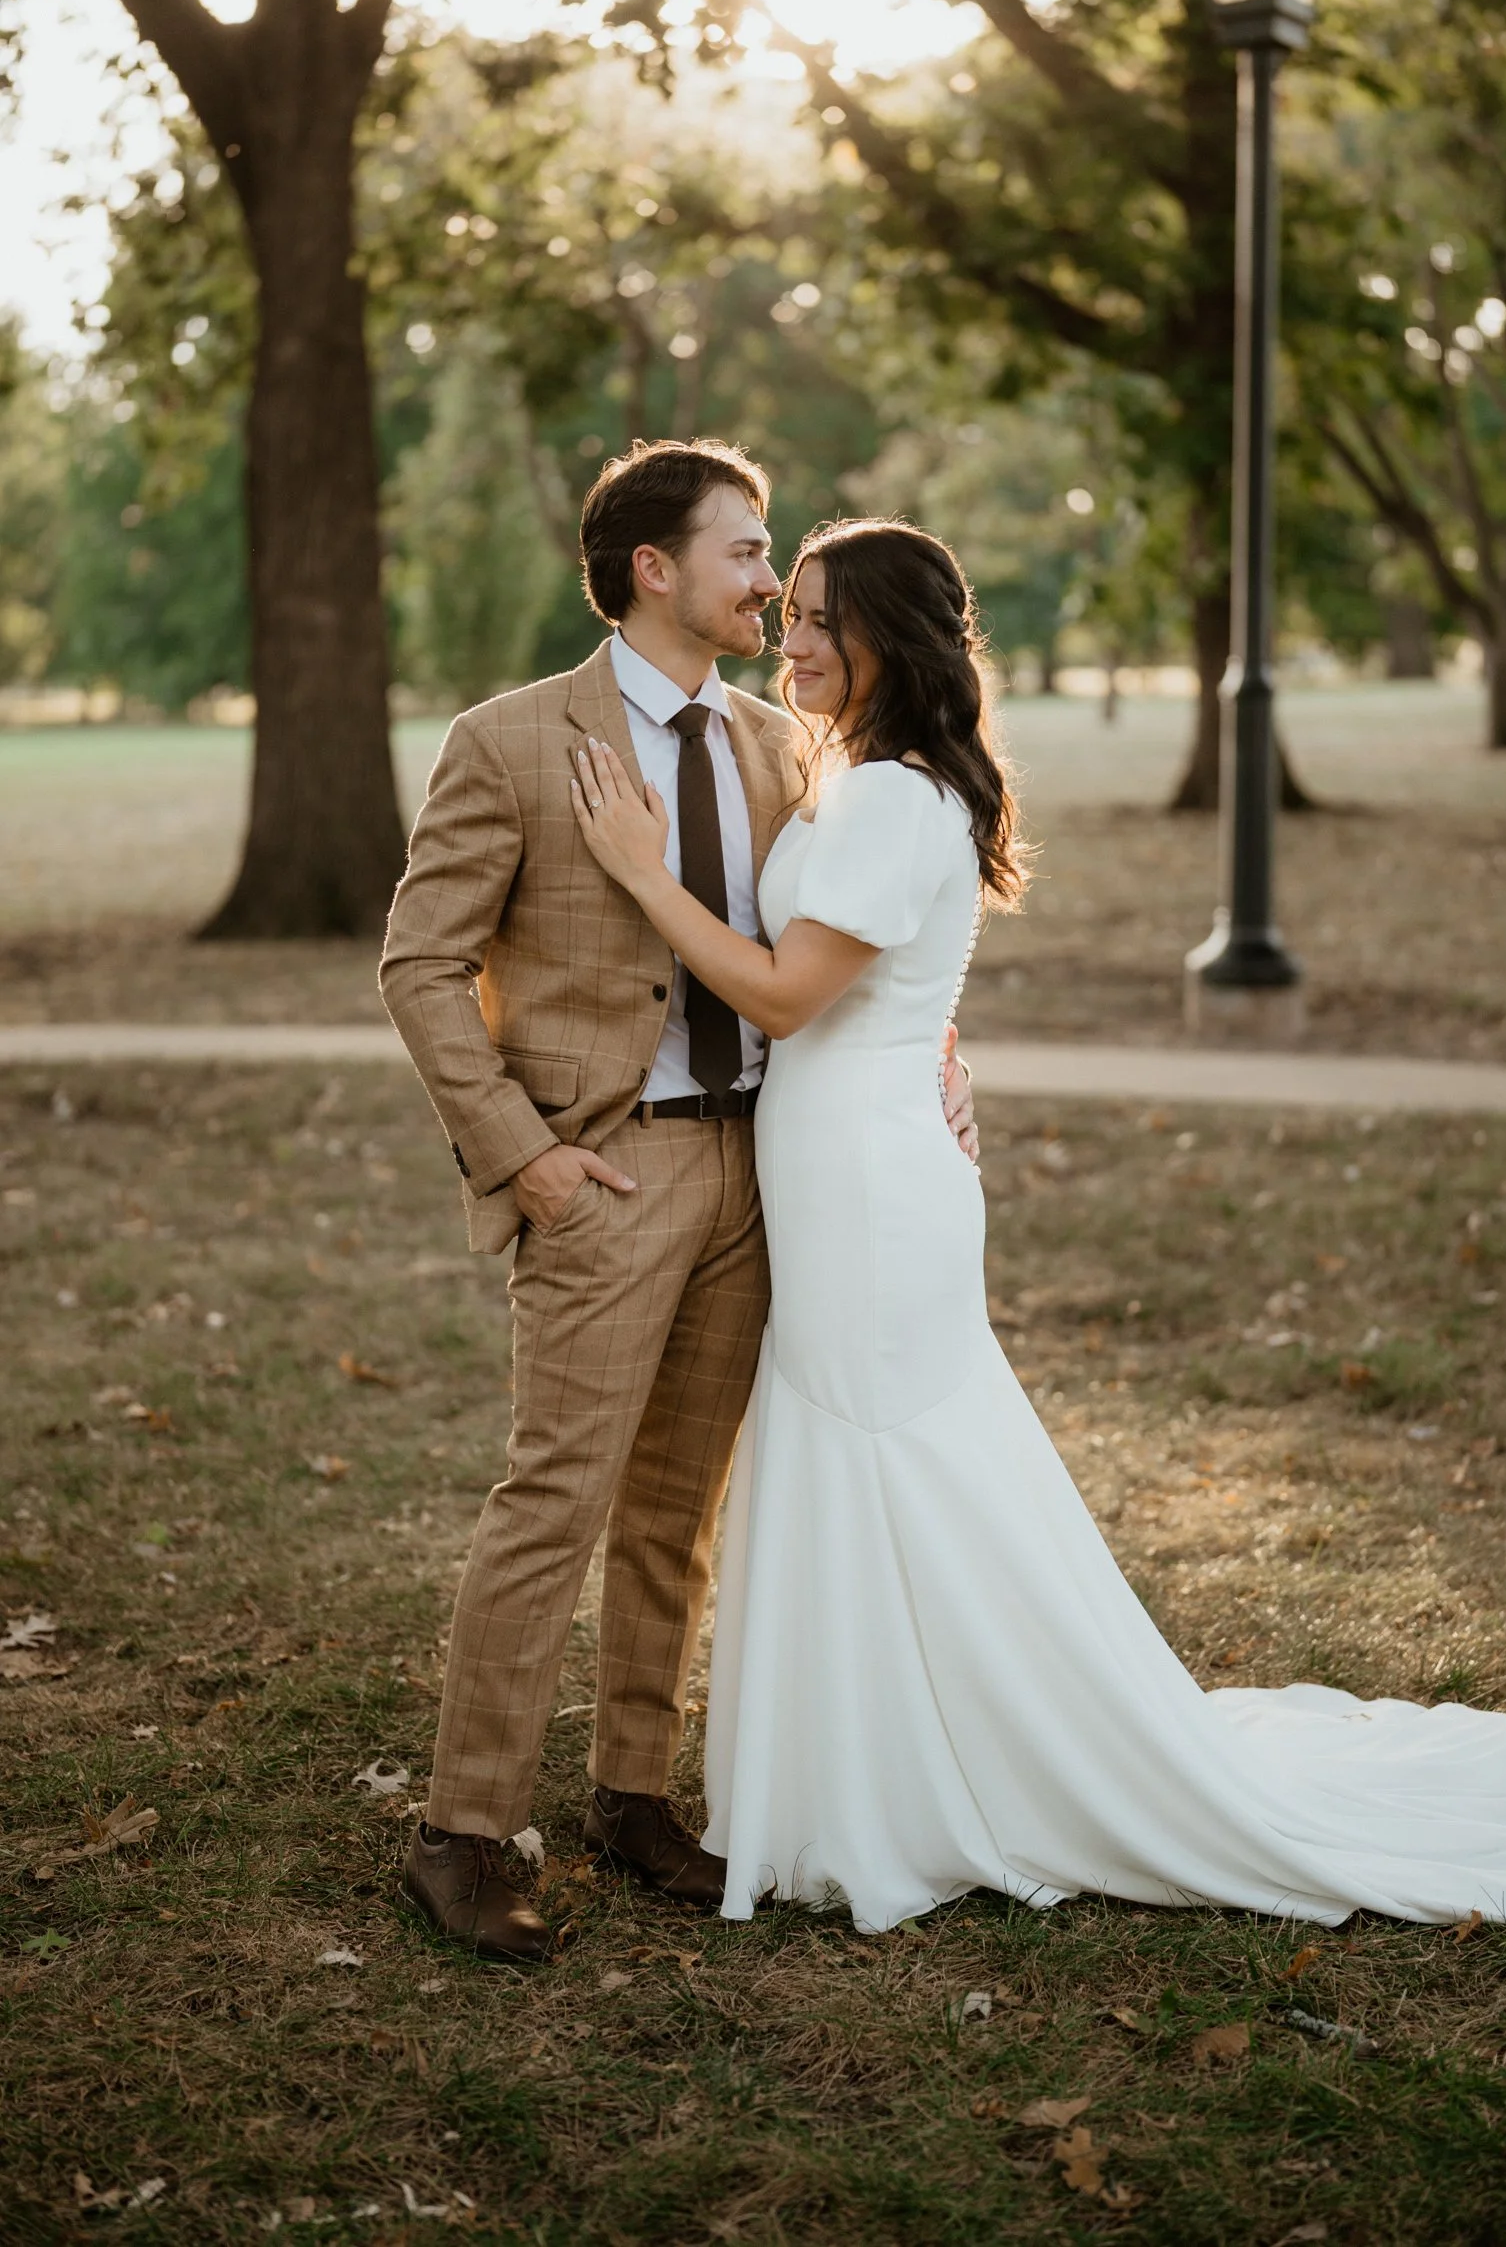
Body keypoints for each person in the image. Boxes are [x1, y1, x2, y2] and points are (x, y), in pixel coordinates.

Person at [570, 515, 1506, 1941]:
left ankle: (932, 1772)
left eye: (815, 615)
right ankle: (887, 1755)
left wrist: (638, 870)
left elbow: (785, 999)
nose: (788, 632)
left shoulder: (897, 798)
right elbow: (892, 981)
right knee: (872, 1451)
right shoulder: (864, 781)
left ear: (883, 639)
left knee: (888, 1448)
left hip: (868, 1183)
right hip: (852, 1157)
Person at [380, 443, 974, 1962]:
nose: (771, 585)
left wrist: (941, 1046)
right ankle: (461, 1827)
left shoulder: (790, 745)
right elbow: (419, 968)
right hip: (607, 1167)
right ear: (653, 567)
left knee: (676, 1512)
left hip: (764, 1172)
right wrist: (521, 1155)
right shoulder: (512, 742)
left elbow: (853, 930)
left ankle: (632, 1791)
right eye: (745, 553)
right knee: (555, 1499)